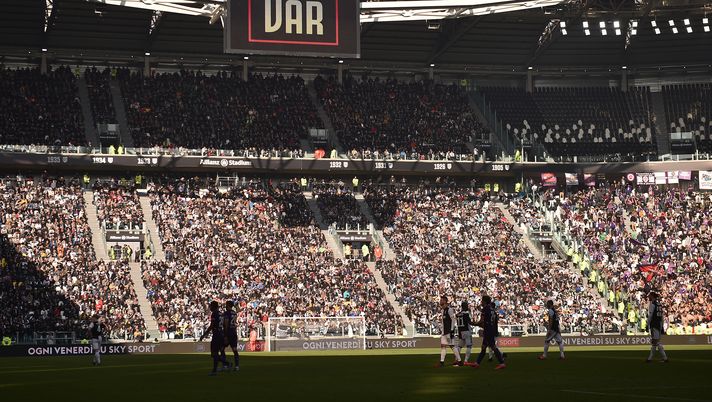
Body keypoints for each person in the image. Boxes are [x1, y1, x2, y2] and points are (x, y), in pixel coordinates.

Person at [472, 295, 505, 370]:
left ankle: (502, 363)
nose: (481, 302)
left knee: (493, 347)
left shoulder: (485, 309)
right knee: (483, 347)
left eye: (482, 301)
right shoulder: (492, 310)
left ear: (484, 301)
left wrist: (473, 323)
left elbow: (482, 321)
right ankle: (477, 363)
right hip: (491, 329)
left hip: (488, 331)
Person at [199, 301, 230, 376]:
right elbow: (225, 325)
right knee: (216, 353)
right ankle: (226, 363)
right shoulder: (221, 314)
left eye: (211, 306)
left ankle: (215, 370)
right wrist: (225, 336)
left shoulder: (214, 314)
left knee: (214, 354)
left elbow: (212, 326)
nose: (210, 307)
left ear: (214, 306)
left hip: (216, 335)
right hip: (221, 334)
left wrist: (204, 335)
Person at [437, 296, 461, 367]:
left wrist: (451, 330)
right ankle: (442, 362)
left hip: (448, 331)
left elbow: (453, 320)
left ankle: (459, 361)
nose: (440, 301)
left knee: (452, 346)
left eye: (441, 300)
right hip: (444, 332)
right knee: (443, 346)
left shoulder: (449, 309)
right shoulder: (443, 310)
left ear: (445, 301)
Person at [646, 292, 668, 363]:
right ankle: (650, 358)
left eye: (649, 296)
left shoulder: (652, 304)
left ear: (652, 296)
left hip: (654, 324)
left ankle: (664, 358)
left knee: (656, 342)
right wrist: (662, 325)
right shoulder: (659, 304)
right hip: (659, 324)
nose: (648, 297)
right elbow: (662, 316)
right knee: (655, 342)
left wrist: (647, 324)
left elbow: (650, 315)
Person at [223, 300, 240, 371]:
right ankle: (237, 366)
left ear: (228, 305)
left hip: (229, 332)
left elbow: (226, 324)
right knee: (235, 350)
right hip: (234, 332)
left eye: (226, 305)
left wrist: (225, 335)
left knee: (221, 348)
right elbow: (238, 310)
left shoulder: (226, 313)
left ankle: (225, 365)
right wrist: (236, 306)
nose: (225, 306)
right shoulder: (234, 313)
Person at [455, 301, 474, 366]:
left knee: (459, 346)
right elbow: (470, 322)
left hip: (460, 331)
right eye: (467, 306)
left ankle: (457, 359)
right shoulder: (466, 314)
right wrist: (477, 324)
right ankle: (465, 361)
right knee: (469, 346)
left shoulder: (458, 314)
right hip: (466, 331)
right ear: (465, 306)